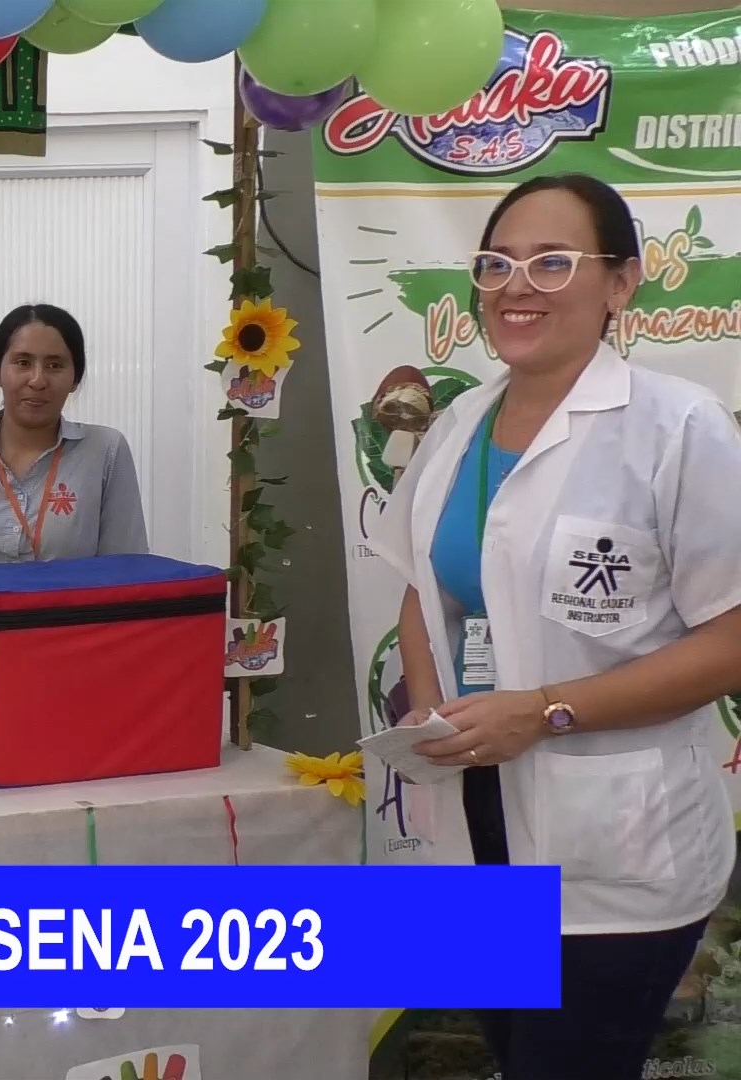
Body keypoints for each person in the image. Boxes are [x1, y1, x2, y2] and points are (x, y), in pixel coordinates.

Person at [371, 173, 741, 1080]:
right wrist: (434, 712)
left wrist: (542, 711)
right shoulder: (460, 423)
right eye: (497, 264)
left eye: (551, 262)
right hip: (477, 816)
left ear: (621, 283)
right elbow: (423, 587)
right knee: (512, 1054)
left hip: (616, 842)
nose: (516, 286)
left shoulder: (678, 428)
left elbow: (732, 640)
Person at [0, 303, 147, 588]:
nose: (37, 380)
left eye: (55, 365)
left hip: (72, 618)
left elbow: (126, 569)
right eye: (23, 362)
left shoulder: (105, 452)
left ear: (75, 378)